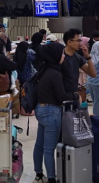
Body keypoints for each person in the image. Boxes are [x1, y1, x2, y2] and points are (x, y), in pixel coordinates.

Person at [33, 42, 80, 183]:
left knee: (39, 145)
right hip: (52, 111)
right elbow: (61, 97)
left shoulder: (44, 69)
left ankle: (39, 174)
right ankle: (52, 179)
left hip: (40, 109)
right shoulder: (55, 74)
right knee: (49, 149)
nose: (63, 56)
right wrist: (75, 96)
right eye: (61, 54)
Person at [61, 28, 96, 96]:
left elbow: (93, 74)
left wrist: (88, 57)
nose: (80, 43)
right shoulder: (60, 56)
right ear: (69, 42)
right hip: (61, 94)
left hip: (74, 94)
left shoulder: (78, 58)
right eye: (78, 41)